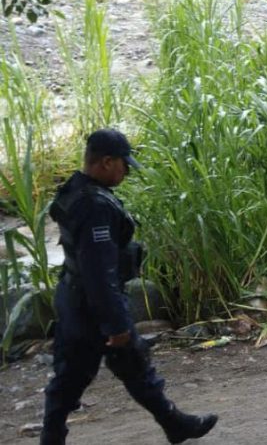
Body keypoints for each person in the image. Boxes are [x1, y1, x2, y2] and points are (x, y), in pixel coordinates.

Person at [41, 129, 217, 445]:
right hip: (92, 306)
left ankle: (175, 424)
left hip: (74, 296)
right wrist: (116, 325)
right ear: (107, 162)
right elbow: (99, 272)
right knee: (76, 377)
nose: (126, 172)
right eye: (124, 165)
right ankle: (51, 439)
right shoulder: (95, 206)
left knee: (127, 366)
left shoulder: (75, 189)